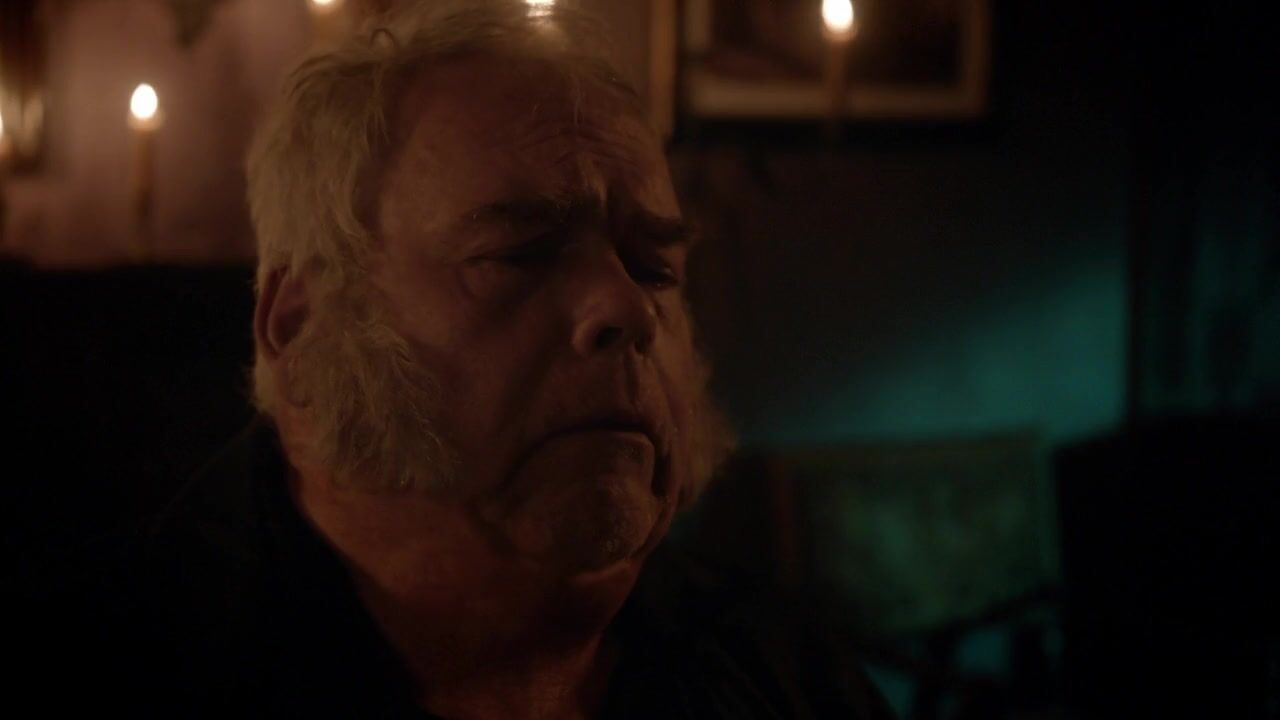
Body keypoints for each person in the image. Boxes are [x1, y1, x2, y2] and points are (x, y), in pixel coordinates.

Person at [34, 2, 893, 717]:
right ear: (298, 327)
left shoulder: (786, 673)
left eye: (654, 267)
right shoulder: (107, 665)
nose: (628, 309)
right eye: (519, 254)